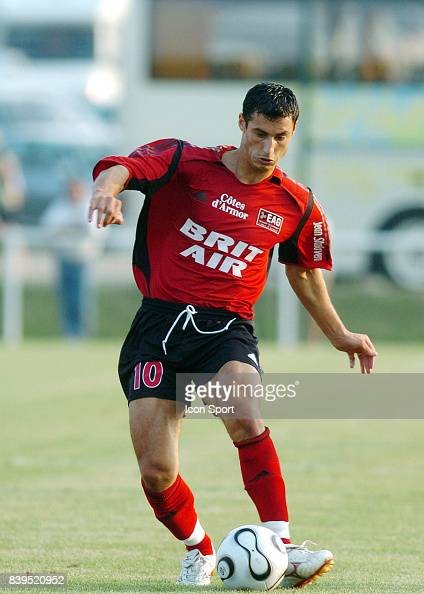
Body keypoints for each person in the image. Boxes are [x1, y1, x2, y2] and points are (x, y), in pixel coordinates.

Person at [89, 83, 377, 588]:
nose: (268, 150)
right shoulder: (184, 162)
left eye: (280, 138)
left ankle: (285, 550)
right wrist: (105, 191)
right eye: (260, 134)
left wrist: (340, 334)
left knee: (245, 413)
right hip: (159, 326)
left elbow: (305, 273)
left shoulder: (296, 204)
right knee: (157, 471)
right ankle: (198, 548)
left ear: (293, 134)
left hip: (227, 329)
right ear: (241, 124)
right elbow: (126, 167)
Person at [42, 178, 98, 339]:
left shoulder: (88, 206)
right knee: (65, 297)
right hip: (64, 257)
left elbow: (94, 231)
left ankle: (82, 332)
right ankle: (68, 332)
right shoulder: (59, 207)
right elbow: (49, 228)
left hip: (82, 259)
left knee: (81, 298)